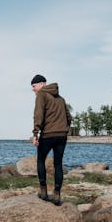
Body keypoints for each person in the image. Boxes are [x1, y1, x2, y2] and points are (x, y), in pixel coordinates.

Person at [31, 74, 71, 206]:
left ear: (42, 84)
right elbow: (69, 117)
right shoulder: (61, 98)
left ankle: (43, 192)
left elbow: (38, 114)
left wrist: (36, 133)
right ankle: (57, 194)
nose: (33, 89)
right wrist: (64, 129)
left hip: (48, 134)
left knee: (40, 160)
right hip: (62, 135)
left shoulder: (41, 95)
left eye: (34, 86)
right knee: (58, 164)